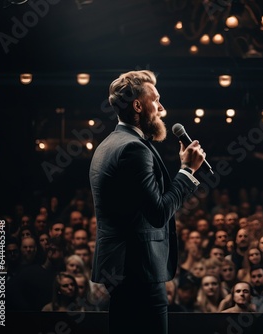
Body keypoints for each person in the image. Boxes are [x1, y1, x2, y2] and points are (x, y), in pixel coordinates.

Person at [89, 70, 205, 334]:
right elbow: (158, 213)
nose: (162, 108)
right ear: (138, 105)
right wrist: (187, 171)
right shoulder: (133, 149)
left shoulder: (109, 144)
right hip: (139, 268)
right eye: (156, 99)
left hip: (122, 268)